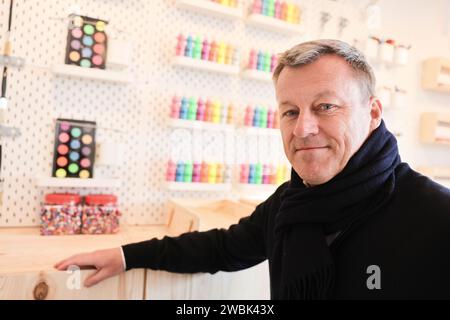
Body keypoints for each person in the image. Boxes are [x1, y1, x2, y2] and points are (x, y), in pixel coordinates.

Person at [55, 39, 450, 299]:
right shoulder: (289, 204)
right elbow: (222, 248)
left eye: (325, 106)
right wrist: (126, 255)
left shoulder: (434, 216)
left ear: (373, 113)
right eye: (290, 111)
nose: (303, 128)